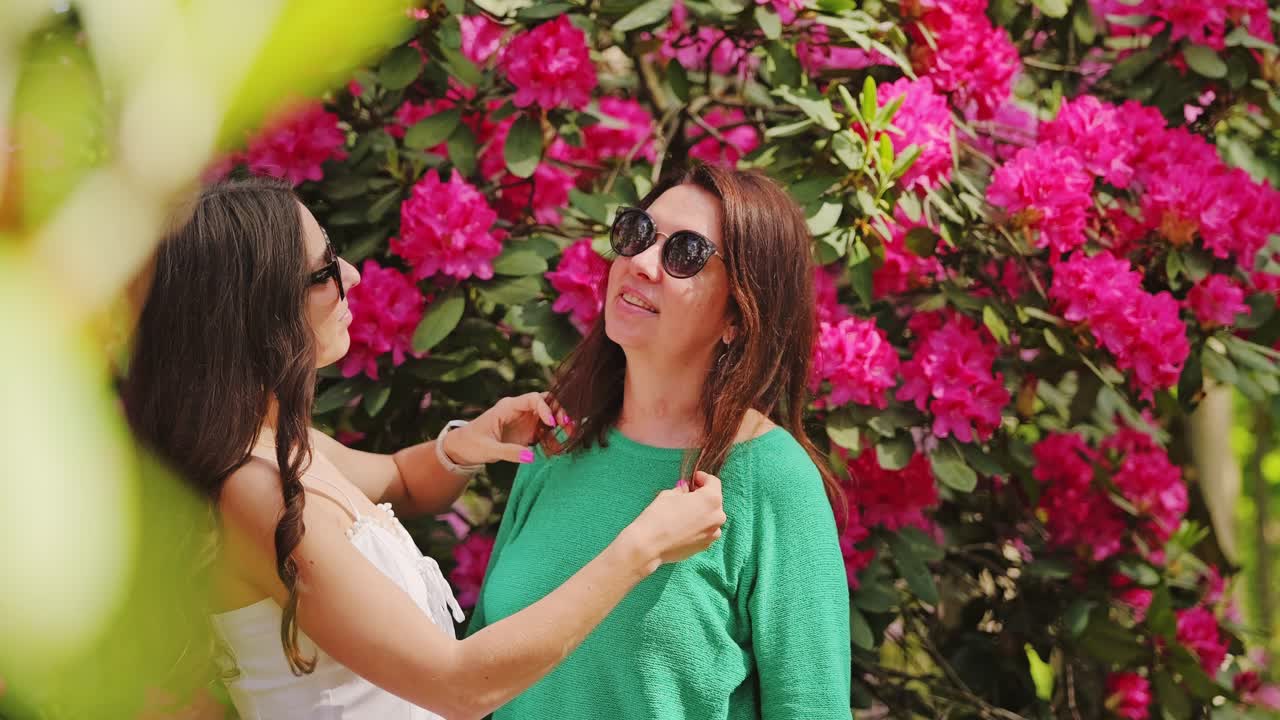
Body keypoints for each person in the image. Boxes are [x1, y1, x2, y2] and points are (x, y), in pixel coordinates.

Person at [121, 176, 726, 720]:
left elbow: (400, 481)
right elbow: (459, 687)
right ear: (259, 312)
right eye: (325, 269)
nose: (352, 276)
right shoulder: (255, 490)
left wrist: (466, 446)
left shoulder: (287, 446)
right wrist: (642, 549)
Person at [470, 165, 852, 718]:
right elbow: (481, 662)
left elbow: (811, 708)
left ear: (739, 317)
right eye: (638, 233)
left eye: (687, 253)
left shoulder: (772, 479)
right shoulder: (557, 443)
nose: (642, 263)